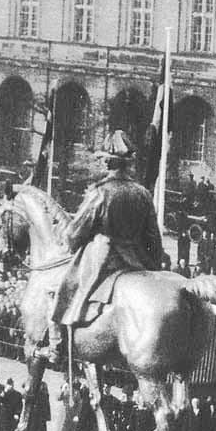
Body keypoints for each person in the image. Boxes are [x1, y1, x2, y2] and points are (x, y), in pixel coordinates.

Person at [51, 130, 168, 330]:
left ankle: (57, 340)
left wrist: (67, 238)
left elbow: (73, 236)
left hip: (103, 259)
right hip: (137, 259)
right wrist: (154, 266)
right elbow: (154, 239)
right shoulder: (143, 194)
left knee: (63, 287)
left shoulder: (100, 192)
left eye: (104, 160)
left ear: (107, 163)